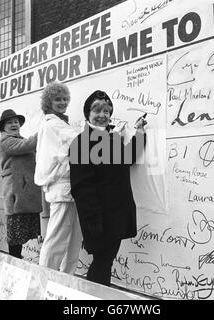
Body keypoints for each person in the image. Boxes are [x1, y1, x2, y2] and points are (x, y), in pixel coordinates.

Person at [69, 90, 147, 286]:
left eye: (107, 110)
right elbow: (81, 187)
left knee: (105, 262)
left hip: (117, 214)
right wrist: (93, 220)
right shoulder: (81, 142)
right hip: (100, 218)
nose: (103, 115)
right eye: (97, 110)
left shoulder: (111, 139)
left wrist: (139, 132)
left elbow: (128, 158)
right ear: (87, 112)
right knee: (102, 263)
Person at [34, 82, 82, 275]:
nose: (62, 102)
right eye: (57, 99)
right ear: (48, 102)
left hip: (69, 187)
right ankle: (44, 279)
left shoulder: (59, 122)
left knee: (73, 239)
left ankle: (65, 281)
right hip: (63, 187)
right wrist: (107, 136)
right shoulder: (53, 123)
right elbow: (77, 140)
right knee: (57, 239)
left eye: (65, 99)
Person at [0, 109, 42, 259]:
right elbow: (27, 145)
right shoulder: (5, 141)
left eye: (16, 121)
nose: (14, 124)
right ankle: (14, 261)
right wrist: (44, 131)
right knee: (15, 234)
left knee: (21, 232)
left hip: (26, 191)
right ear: (3, 127)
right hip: (17, 192)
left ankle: (17, 260)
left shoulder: (20, 139)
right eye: (9, 122)